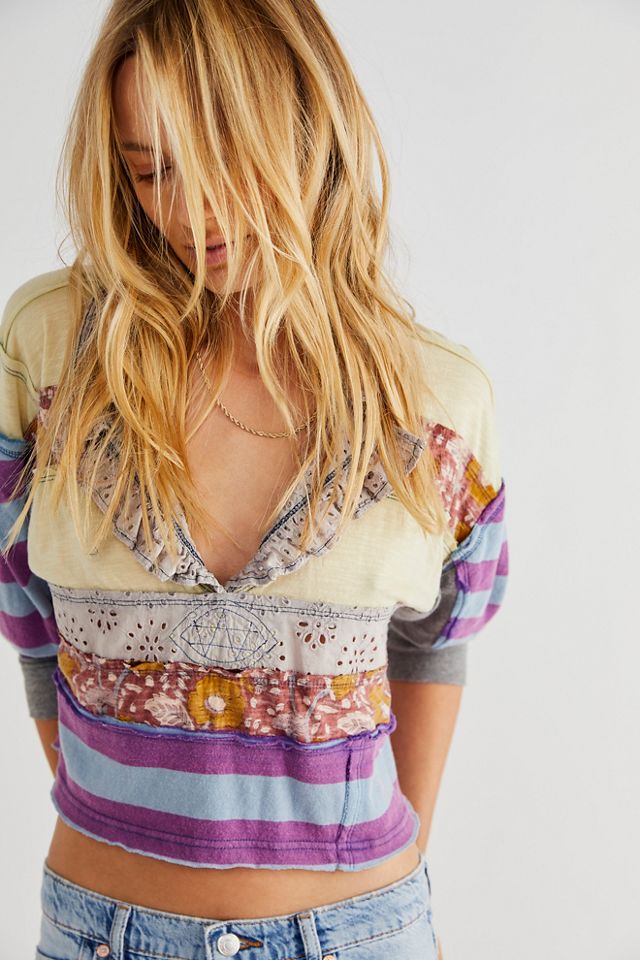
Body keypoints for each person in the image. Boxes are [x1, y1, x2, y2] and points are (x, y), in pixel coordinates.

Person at [0, 1, 509, 958]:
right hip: (102, 929)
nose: (191, 212)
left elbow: (434, 640)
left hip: (360, 931)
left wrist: (388, 881)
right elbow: (29, 618)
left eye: (224, 156)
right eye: (150, 169)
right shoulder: (50, 350)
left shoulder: (436, 403)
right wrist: (126, 811)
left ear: (308, 126)